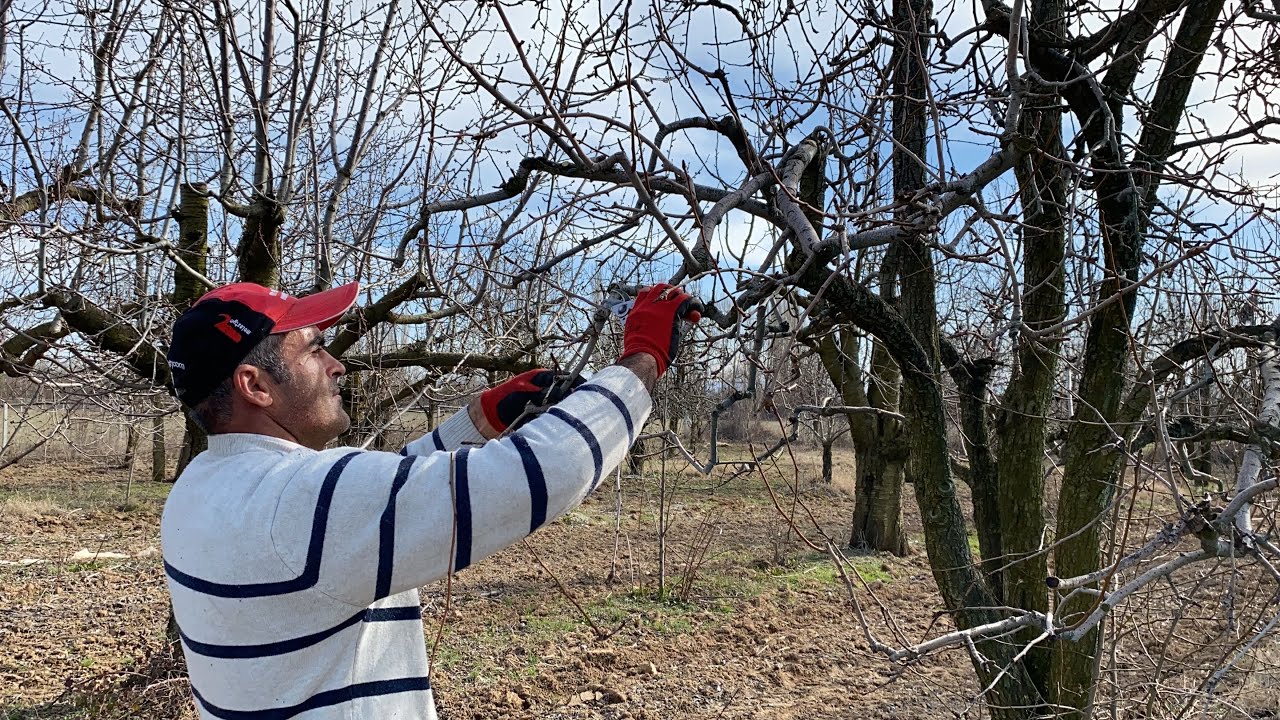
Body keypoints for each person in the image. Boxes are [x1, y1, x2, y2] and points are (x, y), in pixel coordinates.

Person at [161, 281, 699, 719]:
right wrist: (643, 359)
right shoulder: (299, 500)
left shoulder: (202, 489)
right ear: (255, 385)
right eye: (314, 348)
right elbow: (546, 469)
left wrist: (479, 421)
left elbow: (364, 513)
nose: (336, 364)